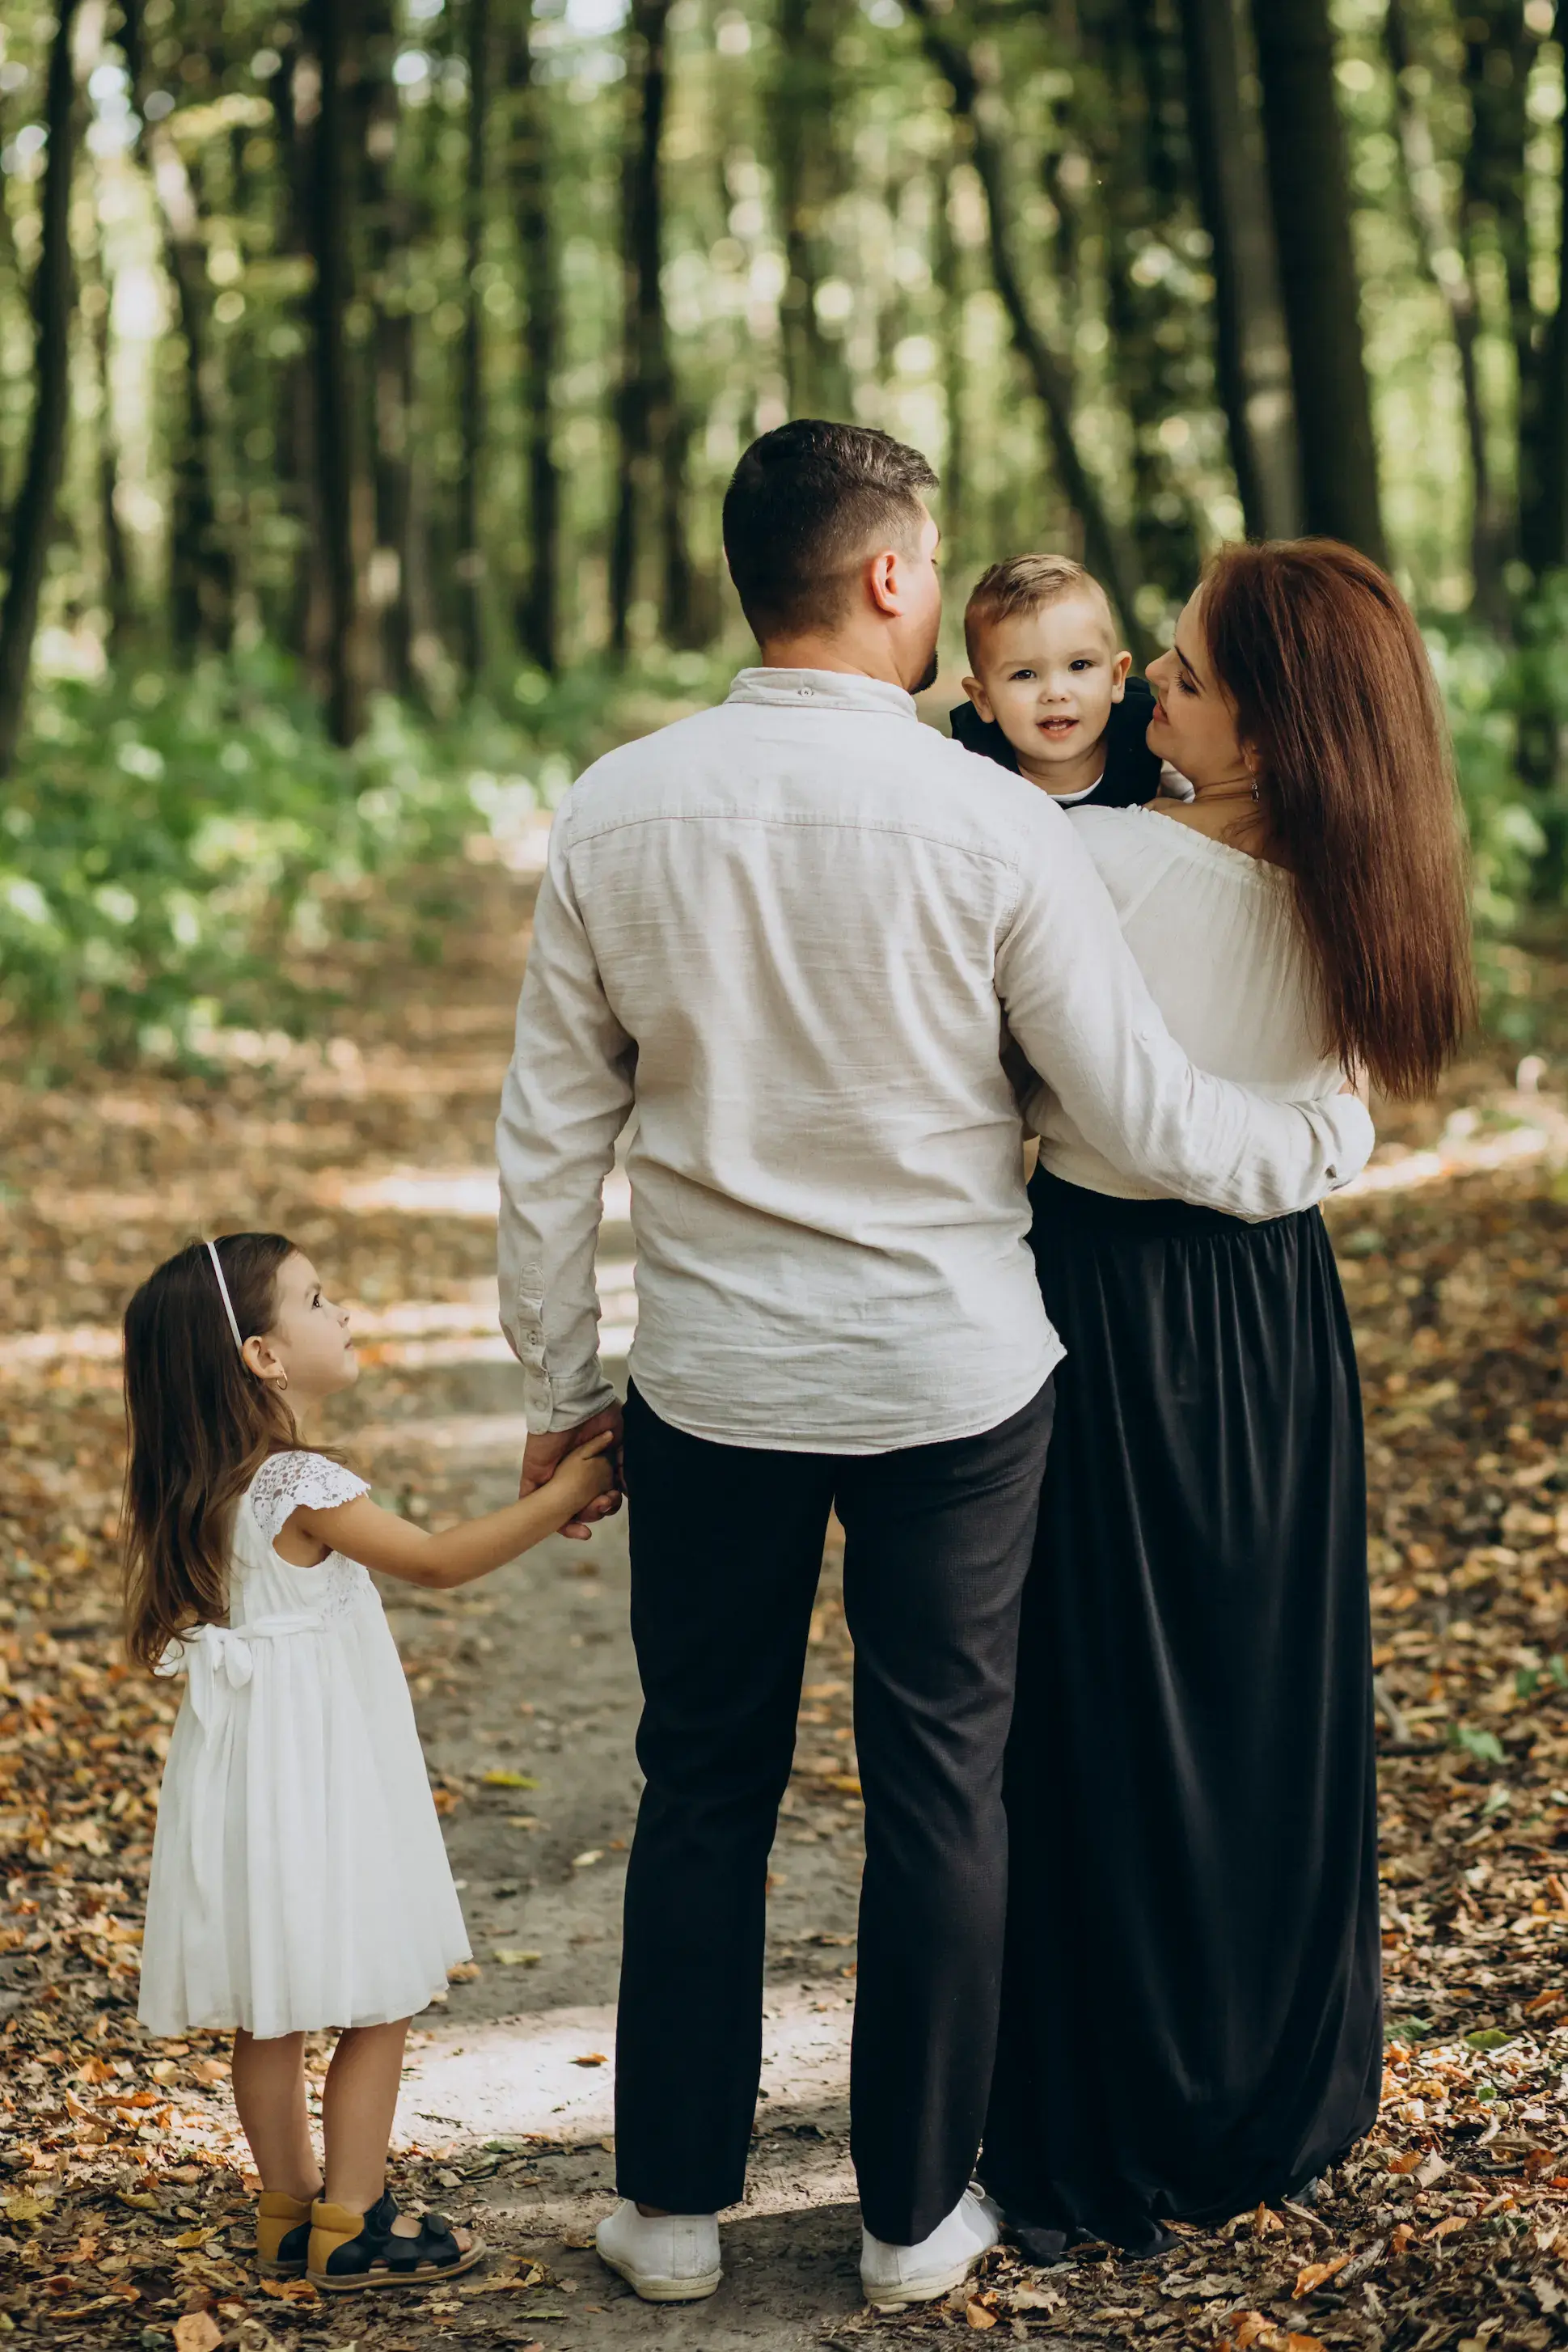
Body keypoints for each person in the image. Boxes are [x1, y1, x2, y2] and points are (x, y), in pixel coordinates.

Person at [494, 422, 1376, 2312]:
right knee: (942, 1787)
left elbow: (548, 1136)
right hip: (953, 1383)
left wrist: (568, 1379)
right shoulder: (991, 825)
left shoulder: (618, 803)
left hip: (713, 1372)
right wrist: (1318, 1147)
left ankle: (666, 2208)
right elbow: (1128, 1107)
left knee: (702, 1779)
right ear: (897, 581)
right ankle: (908, 2218)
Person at [980, 541, 1475, 2259]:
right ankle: (1271, 2067)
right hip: (1277, 1317)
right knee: (1262, 1688)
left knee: (1111, 1703)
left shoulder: (1083, 856)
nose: (1135, 693)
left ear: (1263, 726)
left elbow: (1045, 1111)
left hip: (1108, 1303)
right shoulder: (1366, 878)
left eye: (1174, 671)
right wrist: (1305, 1155)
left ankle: (1120, 2088)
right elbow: (1337, 1121)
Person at [126, 1233, 612, 2293]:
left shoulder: (198, 1487)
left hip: (244, 1779)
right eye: (316, 1297)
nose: (340, 1311)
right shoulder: (297, 1482)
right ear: (262, 1356)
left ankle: (285, 2213)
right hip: (323, 1775)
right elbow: (438, 1561)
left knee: (273, 2006)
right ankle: (354, 2222)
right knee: (376, 1995)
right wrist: (567, 1484)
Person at [949, 552, 1176, 807]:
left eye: (1079, 665)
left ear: (1116, 678)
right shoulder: (974, 764)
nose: (1056, 693)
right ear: (983, 699)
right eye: (1024, 674)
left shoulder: (1146, 735)